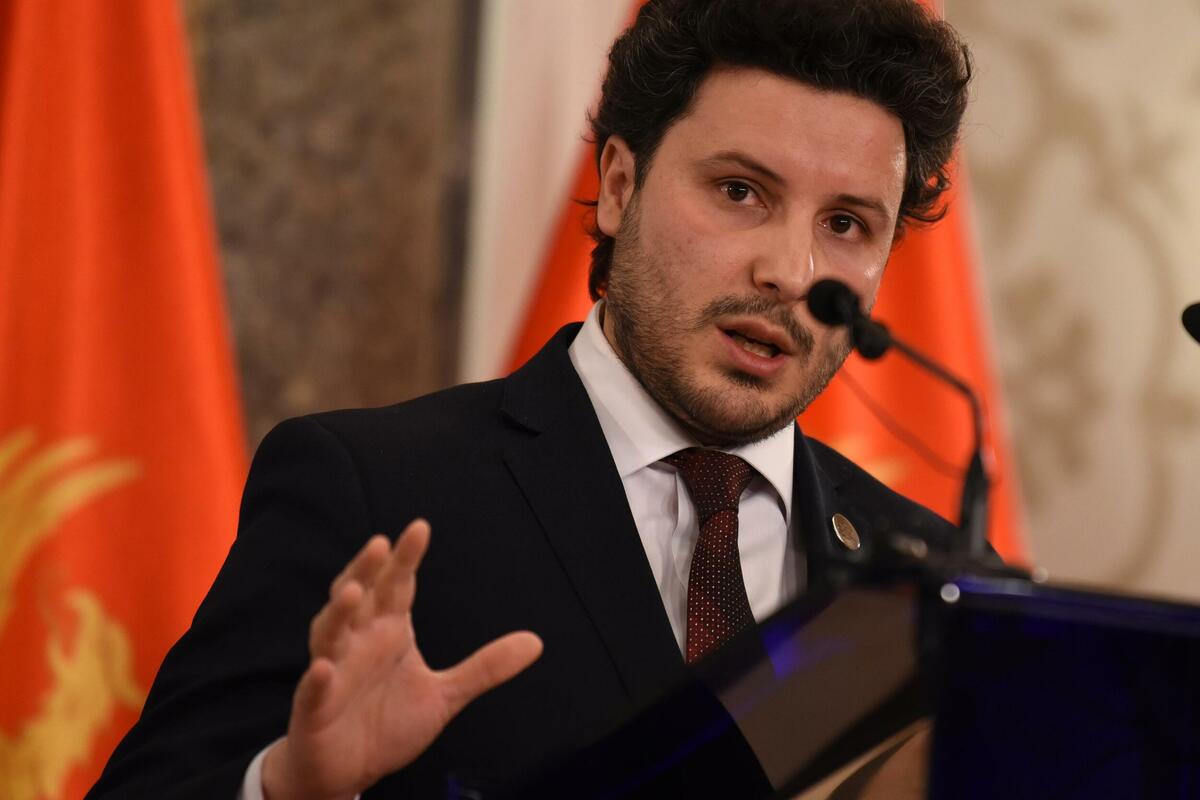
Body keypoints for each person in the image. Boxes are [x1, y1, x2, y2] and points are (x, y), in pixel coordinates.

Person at [87, 0, 973, 797]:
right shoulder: (374, 490)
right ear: (619, 185)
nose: (790, 271)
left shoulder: (931, 584)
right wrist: (291, 787)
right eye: (740, 191)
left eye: (846, 224)